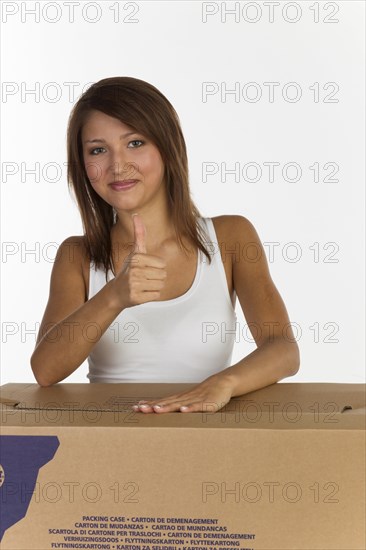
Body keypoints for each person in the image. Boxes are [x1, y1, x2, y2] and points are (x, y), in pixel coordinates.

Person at [30, 76, 300, 413]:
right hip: (109, 448)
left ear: (167, 147)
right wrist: (114, 295)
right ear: (84, 167)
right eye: (98, 150)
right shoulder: (77, 256)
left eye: (135, 143)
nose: (117, 164)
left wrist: (222, 384)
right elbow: (45, 370)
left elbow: (283, 350)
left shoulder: (232, 237)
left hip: (207, 443)